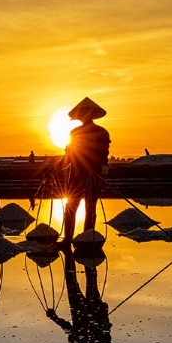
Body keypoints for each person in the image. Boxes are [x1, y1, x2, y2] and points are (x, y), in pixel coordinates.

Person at [46, 255, 112, 343]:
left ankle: (76, 249)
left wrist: (104, 312)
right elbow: (71, 330)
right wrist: (55, 318)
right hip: (82, 312)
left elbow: (105, 330)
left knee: (89, 280)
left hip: (86, 312)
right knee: (73, 281)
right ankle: (71, 251)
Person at [59, 97, 111, 247]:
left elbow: (103, 156)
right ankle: (67, 239)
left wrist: (103, 175)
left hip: (93, 175)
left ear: (93, 113)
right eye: (82, 113)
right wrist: (57, 167)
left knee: (90, 207)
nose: (84, 116)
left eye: (87, 112)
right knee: (71, 207)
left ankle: (87, 238)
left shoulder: (101, 132)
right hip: (75, 175)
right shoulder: (74, 133)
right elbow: (69, 154)